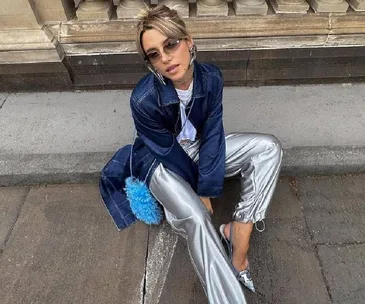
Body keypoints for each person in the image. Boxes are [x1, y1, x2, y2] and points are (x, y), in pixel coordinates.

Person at [99, 5, 282, 304]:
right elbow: (168, 152)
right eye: (154, 54)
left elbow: (212, 133)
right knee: (197, 219)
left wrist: (206, 187)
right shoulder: (143, 99)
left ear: (188, 40)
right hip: (159, 162)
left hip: (195, 149)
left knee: (267, 149)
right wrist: (200, 192)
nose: (166, 58)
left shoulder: (211, 78)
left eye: (170, 44)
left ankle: (238, 244)